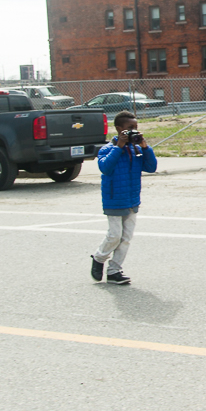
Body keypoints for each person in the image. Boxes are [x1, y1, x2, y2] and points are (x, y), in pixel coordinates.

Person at [90, 110, 158, 285]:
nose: (134, 131)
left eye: (136, 127)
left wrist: (145, 147)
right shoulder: (107, 149)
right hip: (114, 199)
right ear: (119, 129)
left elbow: (151, 167)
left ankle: (114, 271)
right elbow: (105, 167)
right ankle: (99, 258)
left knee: (126, 238)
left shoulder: (136, 149)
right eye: (130, 128)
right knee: (114, 235)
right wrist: (118, 146)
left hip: (132, 199)